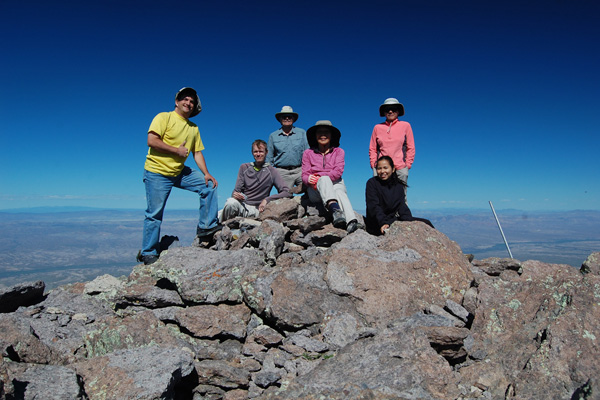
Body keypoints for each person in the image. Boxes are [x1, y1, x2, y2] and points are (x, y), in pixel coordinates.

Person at [139, 87, 221, 265]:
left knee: (209, 185)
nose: (188, 103)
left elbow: (197, 153)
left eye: (192, 102)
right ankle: (148, 252)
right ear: (177, 101)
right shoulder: (164, 117)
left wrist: (207, 173)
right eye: (185, 99)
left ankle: (206, 226)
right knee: (154, 214)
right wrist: (176, 150)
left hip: (178, 172)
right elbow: (152, 141)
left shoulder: (193, 128)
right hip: (157, 172)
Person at [302, 120, 361, 233]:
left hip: (336, 184)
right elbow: (304, 175)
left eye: (326, 132)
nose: (323, 135)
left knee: (340, 192)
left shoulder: (339, 152)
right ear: (315, 136)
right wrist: (308, 179)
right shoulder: (307, 153)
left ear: (331, 135)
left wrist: (317, 176)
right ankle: (335, 209)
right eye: (319, 132)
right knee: (324, 179)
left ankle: (351, 222)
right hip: (315, 190)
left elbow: (337, 172)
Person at [220, 139, 291, 221]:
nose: (258, 154)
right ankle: (224, 228)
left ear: (266, 152)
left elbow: (287, 192)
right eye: (255, 152)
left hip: (259, 210)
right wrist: (235, 194)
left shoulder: (272, 171)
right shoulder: (244, 167)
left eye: (261, 151)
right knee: (230, 202)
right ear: (252, 153)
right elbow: (236, 191)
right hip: (244, 206)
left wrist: (267, 200)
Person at [365, 156, 434, 236]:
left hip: (391, 220)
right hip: (377, 223)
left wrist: (410, 222)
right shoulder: (372, 183)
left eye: (385, 168)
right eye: (379, 168)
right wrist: (383, 223)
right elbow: (373, 206)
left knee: (426, 223)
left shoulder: (398, 185)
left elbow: (401, 205)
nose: (382, 171)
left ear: (393, 169)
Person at [369, 98, 415, 194]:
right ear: (384, 112)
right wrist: (374, 165)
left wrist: (407, 165)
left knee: (401, 197)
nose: (390, 111)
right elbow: (372, 148)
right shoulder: (377, 127)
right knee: (381, 195)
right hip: (382, 168)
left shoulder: (406, 126)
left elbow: (410, 147)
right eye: (387, 109)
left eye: (393, 109)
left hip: (400, 167)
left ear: (398, 111)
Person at [266, 106, 308, 194]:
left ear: (293, 119)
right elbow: (269, 158)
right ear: (280, 119)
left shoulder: (302, 133)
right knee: (285, 197)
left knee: (310, 191)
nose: (287, 118)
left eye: (290, 116)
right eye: (284, 117)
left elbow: (308, 153)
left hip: (300, 170)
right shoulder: (273, 136)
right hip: (282, 172)